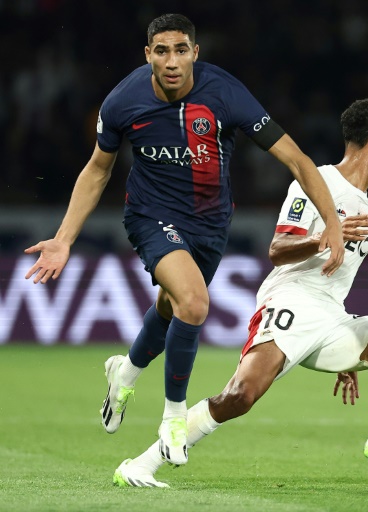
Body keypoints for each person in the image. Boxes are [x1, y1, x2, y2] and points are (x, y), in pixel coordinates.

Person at [22, 13, 344, 466]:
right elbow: (97, 169)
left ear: (195, 52)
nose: (171, 61)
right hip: (150, 215)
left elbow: (296, 160)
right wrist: (64, 238)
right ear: (147, 55)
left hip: (210, 225)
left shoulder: (225, 93)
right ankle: (174, 417)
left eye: (180, 50)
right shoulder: (122, 102)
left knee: (171, 307)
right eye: (161, 51)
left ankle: (124, 372)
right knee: (193, 302)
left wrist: (331, 220)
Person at [112, 98, 368, 488]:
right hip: (292, 300)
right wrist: (324, 236)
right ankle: (141, 464)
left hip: (332, 316)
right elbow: (278, 250)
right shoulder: (317, 182)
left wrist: (348, 353)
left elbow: (334, 279)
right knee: (241, 395)